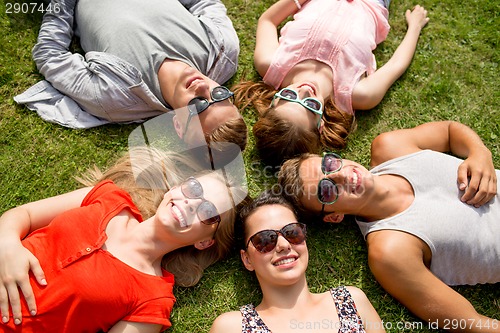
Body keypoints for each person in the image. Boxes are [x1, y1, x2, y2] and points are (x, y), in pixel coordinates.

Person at [277, 121, 500, 331]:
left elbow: (450, 132)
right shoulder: (389, 251)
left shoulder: (390, 147)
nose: (342, 175)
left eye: (329, 164)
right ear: (335, 216)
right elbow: (471, 324)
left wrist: (480, 152)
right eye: (327, 190)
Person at [0, 147, 247, 332]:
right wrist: (7, 243)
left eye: (208, 212)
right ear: (175, 188)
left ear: (205, 242)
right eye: (194, 189)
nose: (192, 204)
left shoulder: (153, 299)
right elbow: (25, 214)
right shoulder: (109, 197)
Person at [13, 0, 247, 151]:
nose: (203, 88)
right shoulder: (221, 51)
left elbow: (50, 55)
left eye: (198, 106)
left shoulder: (114, 96)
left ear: (178, 124)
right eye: (219, 94)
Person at [232, 0, 429, 166]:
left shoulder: (271, 64)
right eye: (311, 106)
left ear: (274, 101)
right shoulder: (358, 94)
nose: (304, 92)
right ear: (321, 124)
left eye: (290, 96)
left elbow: (267, 21)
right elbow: (397, 64)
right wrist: (415, 27)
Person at [210, 189, 386, 333]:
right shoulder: (233, 327)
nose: (283, 245)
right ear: (247, 259)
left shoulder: (352, 301)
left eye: (292, 232)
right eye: (264, 240)